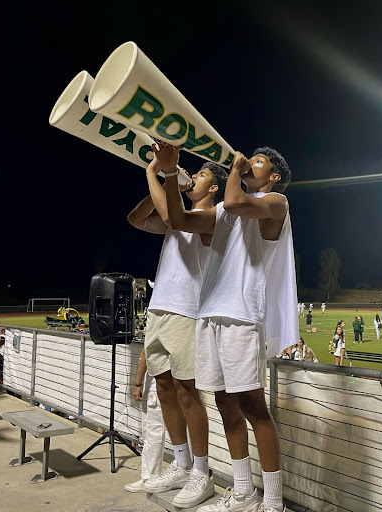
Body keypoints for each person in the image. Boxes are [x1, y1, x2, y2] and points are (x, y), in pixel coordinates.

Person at [165, 147, 297, 512]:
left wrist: (235, 172)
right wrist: (168, 175)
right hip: (210, 313)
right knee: (225, 403)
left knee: (253, 406)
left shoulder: (275, 201)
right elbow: (180, 221)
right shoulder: (224, 208)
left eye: (259, 161)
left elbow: (237, 201)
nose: (249, 162)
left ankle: (273, 503)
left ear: (273, 176)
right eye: (249, 158)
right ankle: (243, 493)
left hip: (241, 314)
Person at [126, 143, 228, 508]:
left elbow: (172, 218)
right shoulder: (178, 210)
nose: (194, 177)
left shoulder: (213, 216)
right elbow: (137, 219)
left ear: (214, 187)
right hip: (159, 309)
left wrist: (161, 173)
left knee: (188, 393)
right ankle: (182, 465)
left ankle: (202, 473)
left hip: (187, 313)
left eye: (200, 175)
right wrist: (159, 176)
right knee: (165, 390)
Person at [125, 345, 165, 491]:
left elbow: (145, 354)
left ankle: (150, 477)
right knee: (152, 434)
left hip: (155, 387)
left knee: (152, 434)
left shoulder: (156, 323)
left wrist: (137, 384)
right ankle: (149, 476)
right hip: (163, 386)